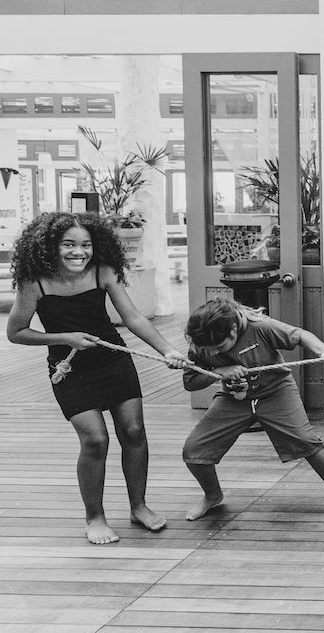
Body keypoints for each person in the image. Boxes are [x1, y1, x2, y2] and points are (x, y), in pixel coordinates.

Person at [6, 212, 188, 545]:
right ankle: (95, 517)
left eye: (86, 244)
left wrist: (167, 351)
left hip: (112, 358)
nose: (79, 252)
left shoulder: (103, 271)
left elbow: (132, 316)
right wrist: (64, 338)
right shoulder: (35, 280)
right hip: (70, 367)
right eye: (69, 244)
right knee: (95, 439)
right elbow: (16, 332)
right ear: (50, 246)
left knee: (133, 431)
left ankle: (139, 506)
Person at [180, 297, 324, 524]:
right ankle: (213, 496)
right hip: (234, 397)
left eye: (219, 348)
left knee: (306, 441)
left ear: (233, 330)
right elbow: (190, 382)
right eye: (209, 350)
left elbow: (300, 335)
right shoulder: (201, 342)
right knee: (194, 450)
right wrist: (221, 370)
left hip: (276, 391)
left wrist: (323, 350)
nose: (213, 353)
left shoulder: (259, 327)